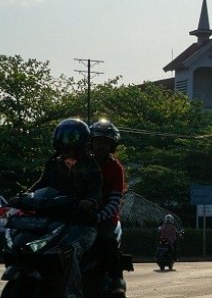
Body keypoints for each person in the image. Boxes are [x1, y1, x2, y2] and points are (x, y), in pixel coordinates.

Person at [28, 118, 102, 298]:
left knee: (70, 251)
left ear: (82, 144)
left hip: (81, 225)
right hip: (52, 223)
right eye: (63, 142)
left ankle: (72, 294)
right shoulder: (53, 164)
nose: (66, 147)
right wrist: (23, 196)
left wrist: (89, 201)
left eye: (71, 142)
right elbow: (40, 185)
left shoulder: (91, 167)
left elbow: (95, 191)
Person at [90, 119, 127, 296]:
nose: (101, 146)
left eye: (105, 142)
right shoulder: (80, 163)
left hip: (104, 218)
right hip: (77, 215)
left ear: (112, 145)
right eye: (97, 141)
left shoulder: (115, 168)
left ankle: (116, 279)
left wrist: (97, 216)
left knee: (106, 240)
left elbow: (115, 201)